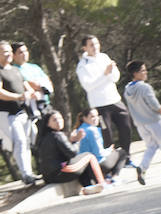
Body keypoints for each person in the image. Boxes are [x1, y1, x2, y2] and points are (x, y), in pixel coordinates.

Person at [75, 35, 133, 159]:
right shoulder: (82, 65)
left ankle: (125, 156)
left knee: (126, 126)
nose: (95, 47)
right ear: (84, 48)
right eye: (91, 45)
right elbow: (88, 85)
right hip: (99, 105)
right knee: (107, 134)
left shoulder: (104, 57)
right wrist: (105, 74)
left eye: (96, 44)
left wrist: (109, 73)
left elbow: (115, 77)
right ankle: (109, 160)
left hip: (114, 99)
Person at [123, 60, 161, 184]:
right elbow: (153, 103)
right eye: (143, 70)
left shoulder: (127, 89)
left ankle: (142, 167)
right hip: (154, 120)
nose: (145, 72)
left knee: (151, 146)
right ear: (135, 73)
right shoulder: (144, 87)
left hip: (140, 123)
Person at [37, 110, 105, 195]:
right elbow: (73, 153)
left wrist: (73, 141)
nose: (59, 121)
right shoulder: (57, 135)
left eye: (60, 118)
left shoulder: (43, 138)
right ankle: (101, 183)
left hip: (49, 176)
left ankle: (88, 187)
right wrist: (77, 140)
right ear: (48, 124)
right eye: (54, 120)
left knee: (80, 162)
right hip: (60, 172)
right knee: (89, 156)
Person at [0, 41, 39, 184]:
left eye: (10, 51)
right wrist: (18, 97)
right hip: (7, 114)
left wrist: (31, 93)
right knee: (19, 142)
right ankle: (25, 174)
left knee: (27, 141)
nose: (9, 54)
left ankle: (28, 172)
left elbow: (25, 86)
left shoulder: (15, 70)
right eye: (5, 51)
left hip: (22, 112)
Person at [75, 108, 128, 182]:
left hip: (86, 167)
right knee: (122, 153)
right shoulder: (92, 130)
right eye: (92, 116)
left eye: (97, 116)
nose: (96, 119)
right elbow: (98, 154)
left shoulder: (79, 129)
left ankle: (107, 177)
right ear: (84, 118)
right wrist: (109, 150)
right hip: (97, 165)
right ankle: (114, 177)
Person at [11, 42, 53, 111]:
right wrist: (38, 86)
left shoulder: (35, 67)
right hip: (31, 107)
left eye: (26, 51)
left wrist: (39, 87)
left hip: (45, 104)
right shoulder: (14, 70)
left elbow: (48, 83)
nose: (25, 54)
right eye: (21, 52)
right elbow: (30, 84)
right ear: (13, 55)